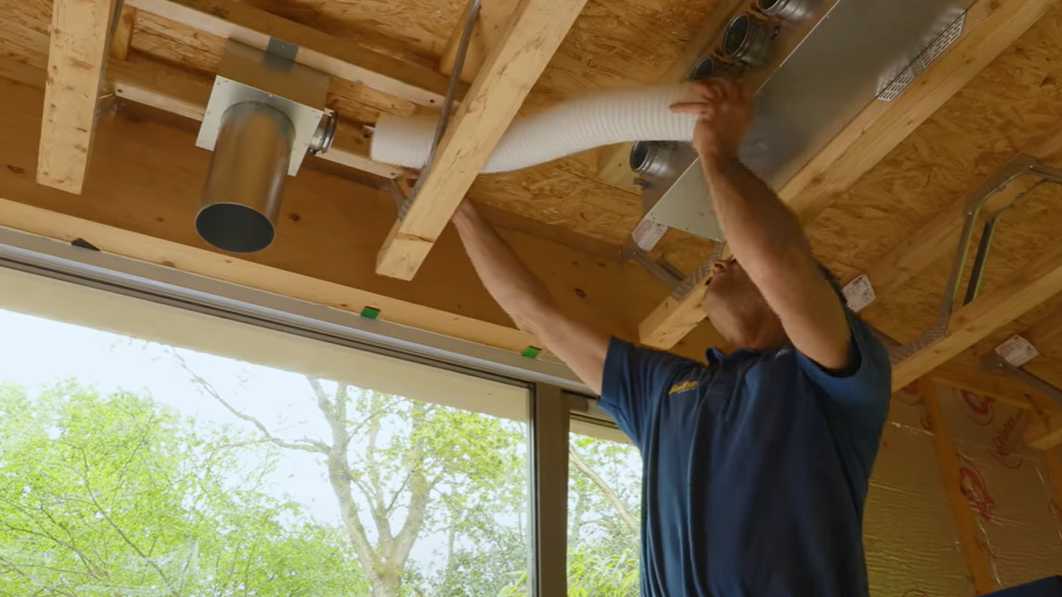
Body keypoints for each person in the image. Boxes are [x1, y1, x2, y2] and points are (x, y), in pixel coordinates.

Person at [450, 78, 891, 597]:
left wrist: (718, 153)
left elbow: (779, 263)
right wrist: (459, 210)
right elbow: (539, 317)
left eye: (736, 256)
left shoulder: (834, 379)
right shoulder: (671, 390)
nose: (720, 263)